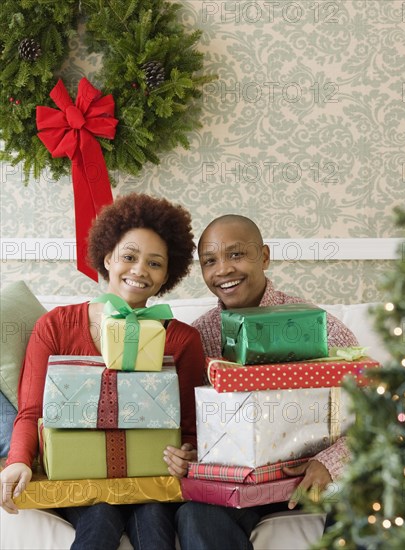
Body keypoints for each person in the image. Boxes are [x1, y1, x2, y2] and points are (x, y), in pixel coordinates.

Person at [0, 193, 205, 550]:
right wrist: (18, 461)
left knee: (155, 525)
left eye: (155, 263)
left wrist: (188, 452)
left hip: (152, 478)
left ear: (166, 276)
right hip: (79, 475)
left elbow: (191, 425)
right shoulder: (56, 326)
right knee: (98, 521)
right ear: (108, 258)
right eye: (129, 257)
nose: (140, 270)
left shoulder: (183, 340)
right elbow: (33, 412)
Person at [175, 214, 359, 550]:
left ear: (264, 257)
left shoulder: (316, 325)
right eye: (209, 261)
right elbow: (189, 424)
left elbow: (378, 412)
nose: (223, 270)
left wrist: (331, 463)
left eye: (236, 254)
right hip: (244, 489)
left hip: (315, 478)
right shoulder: (199, 336)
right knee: (193, 516)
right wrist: (187, 453)